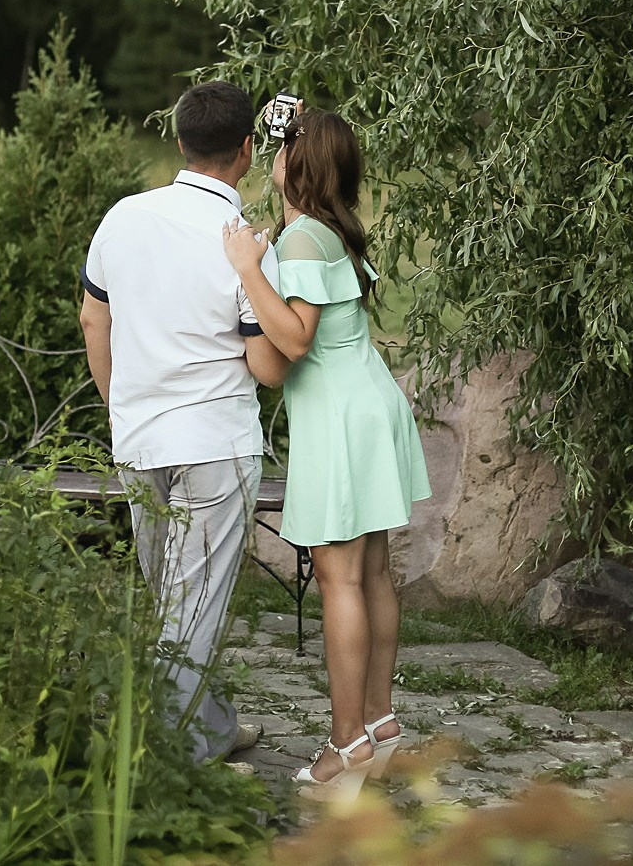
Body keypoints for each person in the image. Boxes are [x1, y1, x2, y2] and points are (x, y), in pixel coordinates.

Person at [222, 108, 432, 800]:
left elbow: (295, 338)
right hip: (367, 401)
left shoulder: (305, 239)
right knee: (371, 573)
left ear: (298, 163)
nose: (272, 157)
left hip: (342, 416)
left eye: (281, 148)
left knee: (341, 580)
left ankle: (346, 744)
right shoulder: (331, 226)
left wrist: (248, 268)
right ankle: (379, 720)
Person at [78, 81, 277, 765]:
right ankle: (175, 762)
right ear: (247, 150)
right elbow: (261, 358)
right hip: (215, 445)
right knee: (191, 608)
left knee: (173, 599)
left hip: (139, 441)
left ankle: (213, 726)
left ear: (181, 141)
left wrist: (121, 406)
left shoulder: (122, 218)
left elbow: (92, 317)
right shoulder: (244, 242)